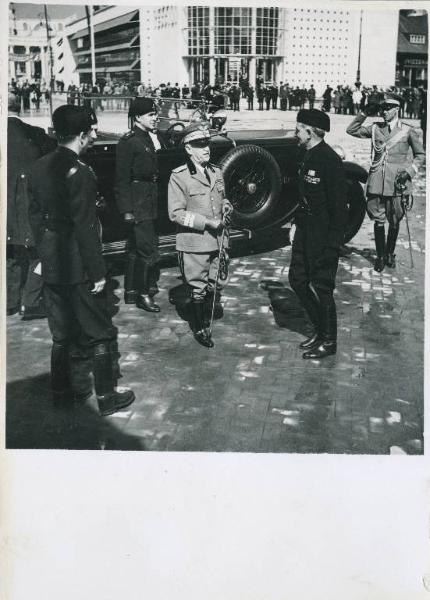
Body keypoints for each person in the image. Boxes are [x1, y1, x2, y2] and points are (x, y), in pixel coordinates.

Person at [28, 105, 135, 416]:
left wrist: (45, 251)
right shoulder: (81, 172)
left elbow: (35, 218)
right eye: (92, 130)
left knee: (61, 333)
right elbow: (86, 227)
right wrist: (98, 271)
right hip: (78, 264)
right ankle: (107, 397)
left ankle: (61, 393)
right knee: (100, 331)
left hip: (52, 262)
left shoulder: (38, 168)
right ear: (83, 133)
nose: (95, 135)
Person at [288, 109, 347, 359]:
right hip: (304, 230)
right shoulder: (307, 154)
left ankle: (329, 341)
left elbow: (339, 209)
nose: (295, 133)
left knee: (323, 287)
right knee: (297, 280)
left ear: (310, 131)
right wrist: (294, 223)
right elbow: (304, 197)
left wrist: (333, 245)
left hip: (322, 235)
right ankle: (319, 329)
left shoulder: (329, 160)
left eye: (298, 129)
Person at [168, 123, 233, 348]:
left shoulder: (216, 171)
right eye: (199, 145)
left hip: (218, 241)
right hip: (195, 243)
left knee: (215, 284)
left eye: (207, 144)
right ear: (188, 149)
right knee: (198, 287)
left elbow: (221, 199)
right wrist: (206, 222)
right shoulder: (179, 177)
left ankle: (204, 315)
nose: (206, 149)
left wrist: (226, 206)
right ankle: (200, 327)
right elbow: (175, 214)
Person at [346, 92, 425, 271]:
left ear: (397, 109)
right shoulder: (375, 128)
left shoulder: (407, 130)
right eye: (382, 108)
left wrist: (410, 172)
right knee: (378, 220)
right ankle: (380, 256)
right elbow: (351, 130)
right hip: (377, 181)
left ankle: (390, 253)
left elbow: (420, 155)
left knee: (395, 220)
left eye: (388, 108)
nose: (384, 111)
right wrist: (364, 113)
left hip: (398, 182)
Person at [7, 92, 56, 319]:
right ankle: (31, 301)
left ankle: (9, 302)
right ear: (20, 107)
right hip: (29, 204)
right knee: (39, 252)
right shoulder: (35, 135)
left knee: (10, 254)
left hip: (6, 207)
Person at [115, 97, 165, 312]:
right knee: (147, 249)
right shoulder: (129, 142)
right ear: (138, 117)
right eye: (151, 115)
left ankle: (131, 291)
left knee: (136, 248)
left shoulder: (148, 138)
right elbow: (121, 180)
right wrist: (126, 210)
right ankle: (143, 295)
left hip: (148, 199)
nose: (156, 118)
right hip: (137, 202)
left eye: (155, 114)